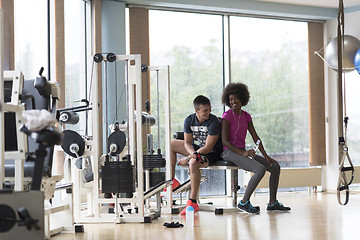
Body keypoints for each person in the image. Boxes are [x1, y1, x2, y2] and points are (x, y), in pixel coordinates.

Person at [221, 82, 291, 214]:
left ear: (243, 99)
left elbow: (256, 138)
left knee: (275, 166)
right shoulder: (227, 116)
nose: (233, 101)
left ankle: (272, 203)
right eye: (230, 99)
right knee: (260, 169)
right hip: (228, 152)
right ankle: (244, 202)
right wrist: (243, 153)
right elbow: (225, 141)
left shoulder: (246, 116)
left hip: (241, 152)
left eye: (236, 98)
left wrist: (266, 156)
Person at [169, 95, 222, 215]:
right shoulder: (189, 120)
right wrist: (192, 154)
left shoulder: (214, 122)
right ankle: (172, 181)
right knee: (171, 144)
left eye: (209, 109)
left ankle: (192, 202)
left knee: (193, 163)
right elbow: (188, 143)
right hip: (198, 150)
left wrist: (188, 158)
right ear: (196, 111)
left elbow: (208, 148)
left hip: (212, 152)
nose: (208, 112)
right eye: (205, 110)